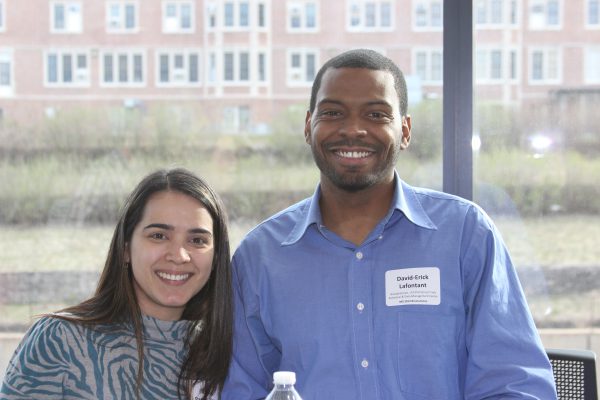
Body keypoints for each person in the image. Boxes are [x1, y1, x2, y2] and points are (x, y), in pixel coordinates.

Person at [221, 49, 557, 399]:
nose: (353, 130)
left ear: (405, 130)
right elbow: (241, 390)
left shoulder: (465, 235)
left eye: (376, 114)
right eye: (333, 113)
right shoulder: (260, 258)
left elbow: (515, 385)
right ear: (309, 127)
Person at [1, 168, 233, 400]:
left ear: (215, 259)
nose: (179, 255)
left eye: (197, 240)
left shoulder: (228, 353)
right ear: (125, 249)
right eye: (159, 236)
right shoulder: (60, 339)